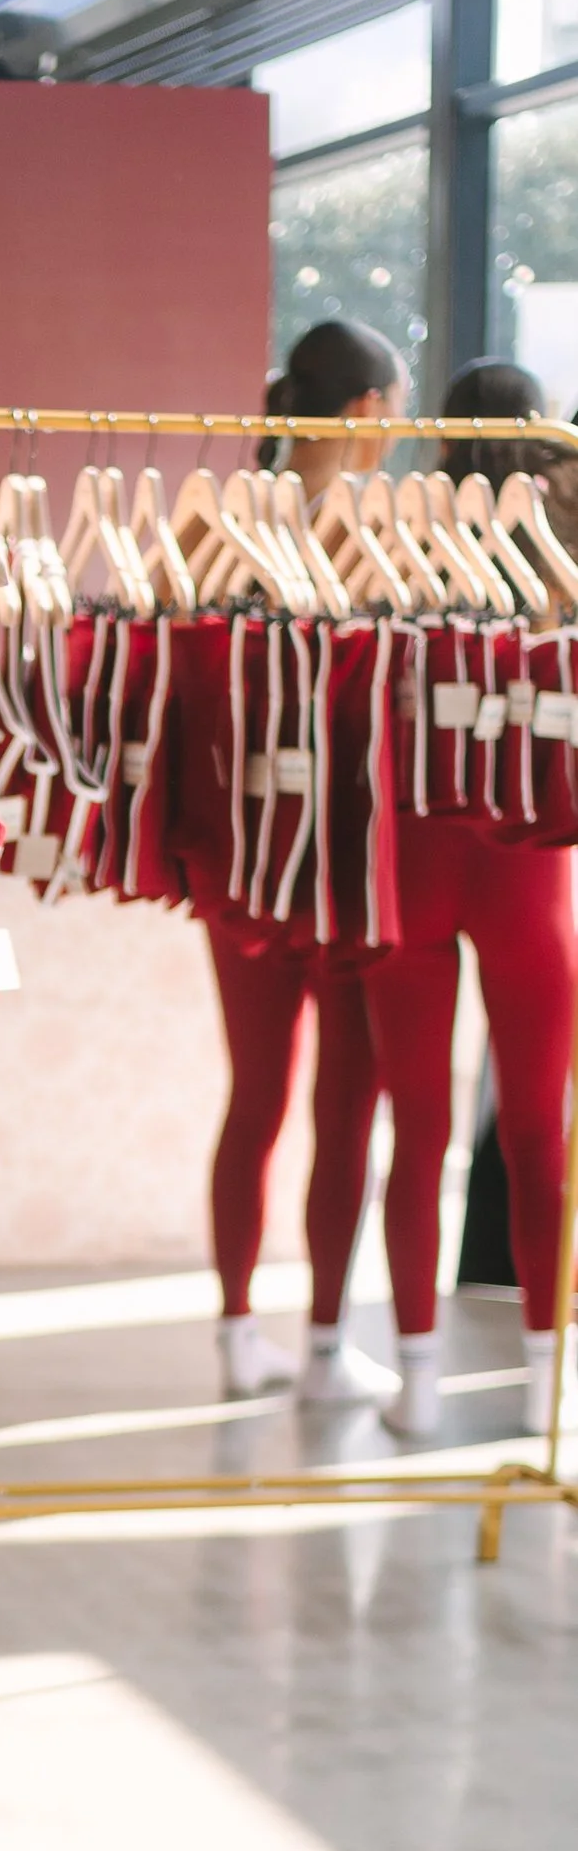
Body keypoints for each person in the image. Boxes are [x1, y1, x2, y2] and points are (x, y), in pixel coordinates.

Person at [360, 354, 578, 1439]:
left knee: (419, 1131)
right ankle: (543, 1383)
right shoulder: (564, 559)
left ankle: (415, 1381)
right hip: (528, 872)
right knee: (538, 1130)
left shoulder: (395, 542)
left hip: (411, 856)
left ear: (441, 435)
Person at [208, 317, 405, 1402]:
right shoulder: (381, 537)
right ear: (370, 410)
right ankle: (326, 1346)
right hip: (345, 862)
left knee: (257, 1097)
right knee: (344, 1104)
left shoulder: (215, 522)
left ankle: (240, 1332)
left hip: (240, 858)